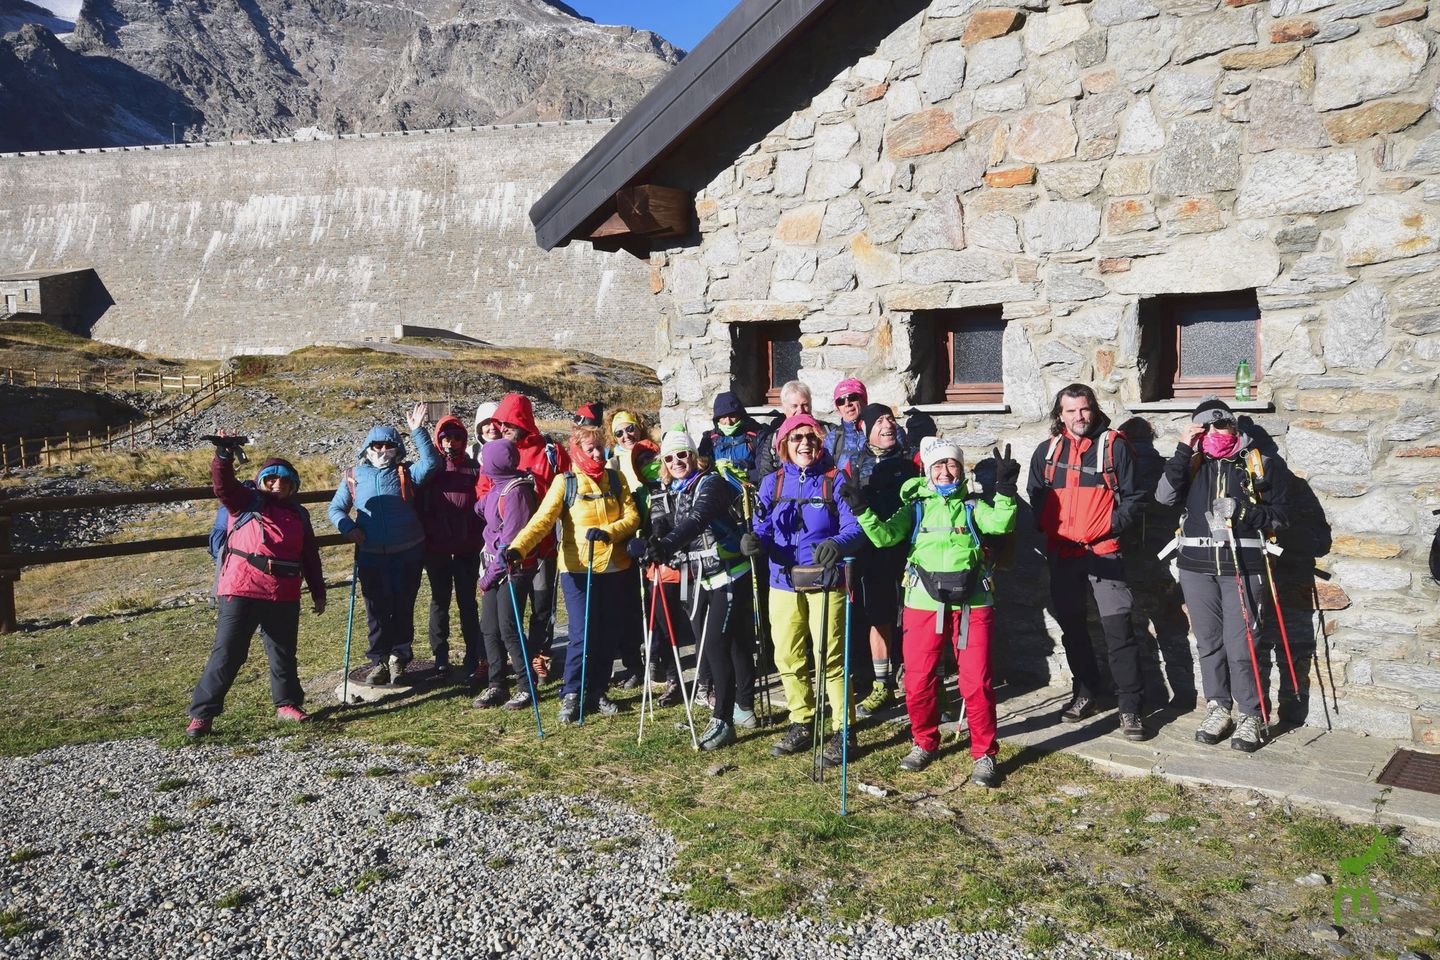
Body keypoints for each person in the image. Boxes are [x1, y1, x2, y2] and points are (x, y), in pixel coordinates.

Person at [848, 436, 1019, 785]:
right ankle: (924, 741)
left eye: (952, 464)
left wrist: (1004, 489)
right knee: (918, 679)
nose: (945, 471)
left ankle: (984, 753)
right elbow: (883, 537)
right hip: (922, 601)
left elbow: (1001, 524)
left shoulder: (973, 506)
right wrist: (861, 509)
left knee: (976, 681)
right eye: (938, 465)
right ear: (927, 472)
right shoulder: (916, 507)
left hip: (972, 602)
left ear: (960, 470)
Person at [1156, 398, 1291, 753]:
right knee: (1208, 641)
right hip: (1196, 566)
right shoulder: (1192, 462)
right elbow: (1165, 496)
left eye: (1222, 425)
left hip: (1242, 565)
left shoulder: (1261, 464)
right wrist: (1184, 449)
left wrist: (1248, 511)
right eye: (1207, 428)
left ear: (1234, 427)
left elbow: (1281, 516)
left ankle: (1252, 713)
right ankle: (1218, 706)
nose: (1216, 433)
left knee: (1242, 643)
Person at [1026, 383, 1149, 740]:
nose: (1079, 417)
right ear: (1060, 415)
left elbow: (1135, 497)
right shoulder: (1046, 451)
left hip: (1104, 551)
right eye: (1071, 411)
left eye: (1084, 409)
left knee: (1118, 629)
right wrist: (1050, 526)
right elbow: (1037, 495)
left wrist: (1107, 526)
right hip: (1063, 553)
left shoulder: (1113, 446)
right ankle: (1086, 692)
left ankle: (1130, 708)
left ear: (1093, 409)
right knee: (1073, 629)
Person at [743, 412, 866, 765]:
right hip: (781, 580)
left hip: (825, 580)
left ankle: (845, 730)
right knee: (787, 655)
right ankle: (802, 720)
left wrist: (839, 545)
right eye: (797, 438)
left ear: (820, 442)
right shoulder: (772, 484)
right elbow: (762, 526)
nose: (805, 444)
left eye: (810, 437)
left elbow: (856, 528)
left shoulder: (835, 480)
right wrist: (753, 541)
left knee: (830, 658)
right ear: (784, 445)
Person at [505, 419, 642, 723]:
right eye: (591, 449)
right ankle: (571, 692)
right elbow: (542, 521)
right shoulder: (565, 482)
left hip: (614, 567)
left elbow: (632, 518)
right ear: (578, 451)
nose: (597, 454)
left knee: (607, 633)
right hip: (578, 569)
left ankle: (597, 690)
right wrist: (518, 548)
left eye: (600, 448)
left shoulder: (616, 479)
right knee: (581, 633)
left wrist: (608, 532)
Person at [187, 440, 325, 737]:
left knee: (283, 652)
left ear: (293, 485)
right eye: (271, 479)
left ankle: (287, 704)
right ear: (262, 481)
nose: (277, 485)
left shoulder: (300, 515)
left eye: (284, 480)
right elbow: (222, 486)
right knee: (228, 653)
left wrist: (318, 591)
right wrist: (223, 456)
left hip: (283, 591)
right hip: (242, 588)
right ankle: (202, 715)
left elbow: (309, 554)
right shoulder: (244, 502)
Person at [642, 429, 755, 749]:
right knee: (726, 644)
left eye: (682, 454)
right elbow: (667, 522)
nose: (677, 461)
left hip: (729, 573)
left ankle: (725, 719)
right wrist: (654, 540)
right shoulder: (673, 489)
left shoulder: (711, 483)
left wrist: (666, 544)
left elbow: (698, 518)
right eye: (670, 457)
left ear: (694, 456)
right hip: (699, 576)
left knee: (717, 643)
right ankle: (742, 707)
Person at [328, 403, 442, 685]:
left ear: (397, 448)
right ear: (367, 447)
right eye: (376, 445)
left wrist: (418, 431)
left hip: (408, 552)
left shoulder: (406, 472)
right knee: (376, 610)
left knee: (403, 605)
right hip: (371, 555)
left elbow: (432, 463)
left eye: (388, 445)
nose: (382, 451)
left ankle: (399, 658)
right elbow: (336, 509)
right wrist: (348, 527)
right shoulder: (353, 476)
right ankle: (379, 660)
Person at [486, 393, 570, 683]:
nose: (504, 426)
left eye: (509, 421)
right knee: (511, 608)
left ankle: (539, 654)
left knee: (542, 603)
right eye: (500, 422)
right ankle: (518, 655)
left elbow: (568, 485)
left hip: (544, 545)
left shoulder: (551, 451)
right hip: (511, 549)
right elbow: (484, 490)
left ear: (523, 421)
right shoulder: (496, 451)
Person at [843, 403, 919, 718]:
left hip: (908, 551)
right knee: (878, 617)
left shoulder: (911, 462)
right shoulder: (853, 463)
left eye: (891, 418)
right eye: (879, 420)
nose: (887, 424)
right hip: (869, 553)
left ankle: (926, 687)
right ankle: (882, 685)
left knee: (914, 621)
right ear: (866, 428)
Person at [474, 438, 542, 710]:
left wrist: (489, 577)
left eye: (485, 460)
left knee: (508, 628)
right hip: (493, 569)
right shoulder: (498, 487)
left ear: (493, 464)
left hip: (512, 571)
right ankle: (497, 685)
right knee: (489, 628)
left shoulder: (516, 492)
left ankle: (527, 687)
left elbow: (511, 542)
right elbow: (483, 509)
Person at [418, 415, 484, 679]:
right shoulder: (431, 468)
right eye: (446, 437)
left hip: (467, 547)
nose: (451, 442)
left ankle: (472, 653)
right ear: (438, 439)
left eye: (457, 437)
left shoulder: (473, 468)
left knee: (468, 602)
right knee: (439, 602)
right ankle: (441, 656)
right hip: (438, 548)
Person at [752, 380, 818, 483]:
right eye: (794, 406)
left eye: (805, 404)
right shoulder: (774, 438)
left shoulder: (826, 432)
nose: (800, 411)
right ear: (784, 408)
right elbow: (766, 476)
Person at [698, 390, 762, 477]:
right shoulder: (709, 439)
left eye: (732, 416)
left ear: (740, 415)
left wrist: (743, 475)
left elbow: (763, 469)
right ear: (717, 419)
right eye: (723, 417)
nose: (728, 422)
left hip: (748, 485)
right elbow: (702, 469)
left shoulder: (756, 436)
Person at [825, 377, 870, 471]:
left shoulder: (884, 429)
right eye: (841, 401)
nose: (847, 403)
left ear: (863, 400)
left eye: (852, 397)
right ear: (839, 408)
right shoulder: (832, 439)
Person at [607, 409, 647, 491]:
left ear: (639, 427)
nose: (626, 436)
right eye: (619, 433)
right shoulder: (613, 464)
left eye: (630, 429)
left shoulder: (656, 452)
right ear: (615, 439)